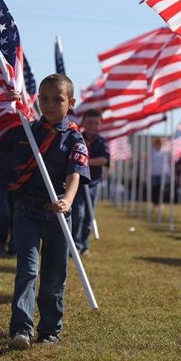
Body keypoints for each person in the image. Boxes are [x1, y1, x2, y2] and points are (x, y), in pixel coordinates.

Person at [0, 74, 90, 350]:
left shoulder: (74, 137)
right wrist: (10, 107)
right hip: (27, 211)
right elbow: (2, 138)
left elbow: (75, 174)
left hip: (59, 215)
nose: (49, 105)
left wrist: (68, 200)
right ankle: (21, 329)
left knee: (53, 277)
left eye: (57, 99)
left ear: (70, 103)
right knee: (27, 270)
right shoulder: (26, 130)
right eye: (44, 99)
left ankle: (50, 329)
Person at [71, 108, 109, 256]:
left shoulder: (101, 141)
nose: (93, 125)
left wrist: (85, 161)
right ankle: (75, 244)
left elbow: (104, 160)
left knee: (88, 215)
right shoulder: (76, 137)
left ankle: (85, 244)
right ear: (83, 122)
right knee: (77, 213)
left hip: (92, 183)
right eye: (90, 122)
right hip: (77, 182)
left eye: (96, 123)